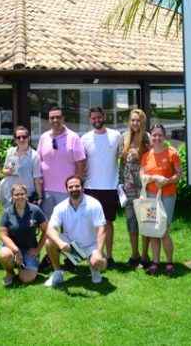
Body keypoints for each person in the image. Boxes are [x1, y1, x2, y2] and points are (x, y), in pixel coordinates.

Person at [44, 175, 107, 287]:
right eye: (71, 187)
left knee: (99, 263)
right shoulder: (60, 207)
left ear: (82, 188)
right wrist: (60, 243)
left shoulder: (94, 204)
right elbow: (50, 229)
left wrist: (99, 251)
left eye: (77, 186)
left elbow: (101, 229)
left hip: (90, 246)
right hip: (72, 248)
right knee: (49, 242)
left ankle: (95, 269)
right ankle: (57, 273)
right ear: (67, 189)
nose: (74, 189)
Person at [81, 107, 122, 266]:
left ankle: (109, 256)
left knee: (108, 223)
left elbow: (122, 156)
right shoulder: (84, 138)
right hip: (91, 187)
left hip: (110, 187)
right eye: (93, 118)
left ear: (104, 117)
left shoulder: (116, 135)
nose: (96, 120)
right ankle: (96, 253)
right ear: (90, 119)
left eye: (99, 117)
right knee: (92, 224)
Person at [140, 123, 182, 276]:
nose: (157, 138)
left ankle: (169, 261)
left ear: (165, 137)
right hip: (150, 197)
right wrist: (148, 178)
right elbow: (142, 174)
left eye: (160, 135)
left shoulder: (172, 153)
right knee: (152, 230)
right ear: (151, 137)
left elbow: (179, 175)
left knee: (163, 230)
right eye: (154, 135)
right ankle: (156, 261)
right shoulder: (146, 155)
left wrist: (167, 181)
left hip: (167, 195)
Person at [37, 107, 86, 218]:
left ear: (63, 118)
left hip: (67, 191)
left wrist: (76, 186)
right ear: (49, 120)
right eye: (52, 118)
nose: (55, 120)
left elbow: (81, 163)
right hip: (46, 190)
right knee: (47, 224)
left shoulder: (73, 137)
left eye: (58, 117)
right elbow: (38, 161)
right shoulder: (44, 137)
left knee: (68, 224)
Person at [0, 184, 48, 286]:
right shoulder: (7, 212)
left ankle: (23, 266)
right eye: (16, 194)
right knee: (5, 254)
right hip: (12, 248)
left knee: (26, 279)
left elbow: (47, 230)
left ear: (26, 195)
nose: (19, 197)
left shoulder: (35, 210)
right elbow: (3, 235)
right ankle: (10, 272)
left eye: (22, 194)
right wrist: (16, 250)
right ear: (12, 196)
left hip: (29, 249)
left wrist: (37, 249)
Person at [119, 109, 150, 267]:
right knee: (131, 222)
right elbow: (122, 164)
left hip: (143, 187)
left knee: (144, 220)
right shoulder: (124, 137)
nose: (135, 123)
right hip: (128, 187)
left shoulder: (146, 138)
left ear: (142, 122)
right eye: (132, 120)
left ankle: (145, 256)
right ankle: (134, 254)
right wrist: (120, 184)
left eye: (138, 120)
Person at [0, 126, 42, 210]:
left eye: (24, 137)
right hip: (10, 193)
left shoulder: (34, 155)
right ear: (15, 139)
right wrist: (9, 171)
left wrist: (39, 196)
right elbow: (4, 170)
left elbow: (37, 178)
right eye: (18, 137)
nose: (21, 139)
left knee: (25, 221)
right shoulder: (10, 151)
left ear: (28, 138)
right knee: (10, 220)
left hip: (26, 194)